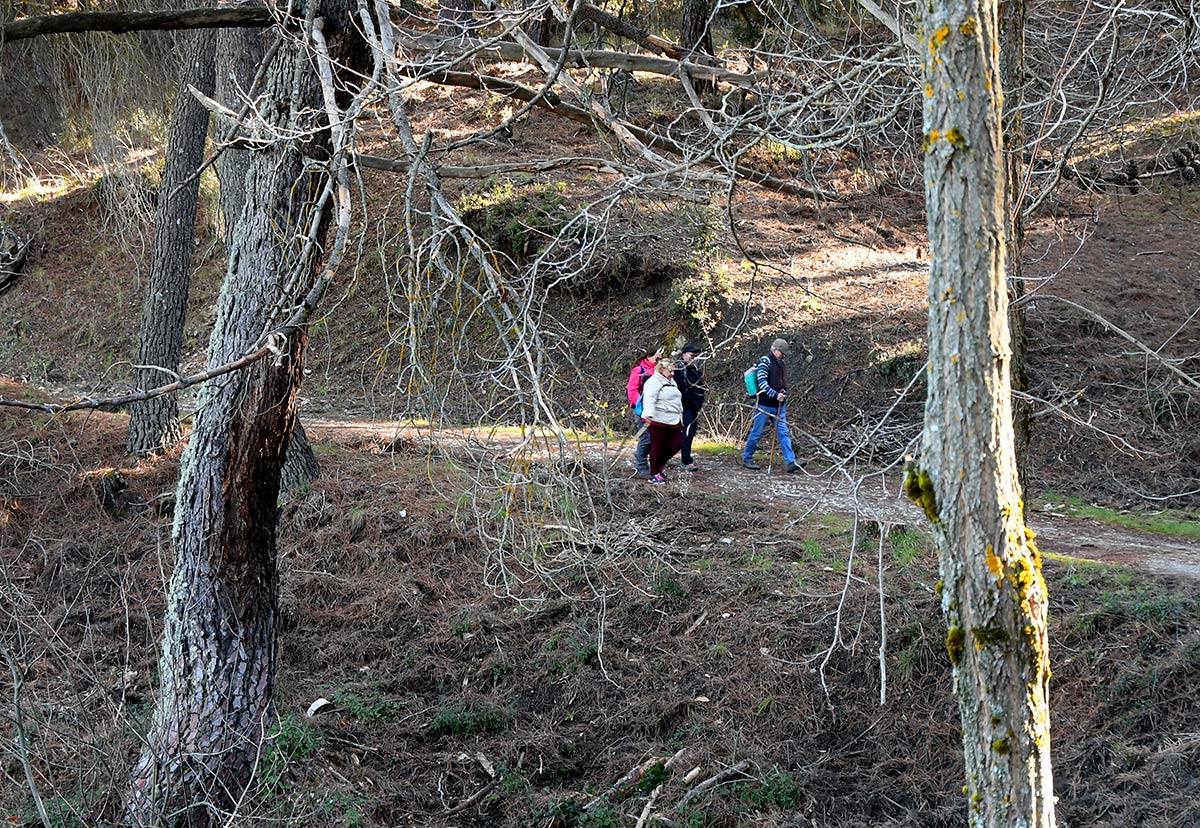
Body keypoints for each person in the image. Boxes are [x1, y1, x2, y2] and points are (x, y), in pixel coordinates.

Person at [742, 338, 806, 473]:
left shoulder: (780, 363)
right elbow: (762, 384)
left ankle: (791, 461)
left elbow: (781, 382)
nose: (784, 355)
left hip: (779, 405)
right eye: (782, 352)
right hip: (764, 405)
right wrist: (776, 394)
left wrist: (783, 392)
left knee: (784, 433)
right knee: (757, 432)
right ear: (775, 350)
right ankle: (747, 458)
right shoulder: (765, 362)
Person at [640, 356, 684, 484]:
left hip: (673, 420)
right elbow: (650, 398)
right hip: (658, 419)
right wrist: (648, 414)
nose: (672, 373)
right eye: (670, 371)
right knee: (658, 447)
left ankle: (659, 465)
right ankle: (654, 473)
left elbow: (677, 400)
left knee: (677, 444)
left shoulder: (672, 381)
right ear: (662, 369)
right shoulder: (653, 382)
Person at [626, 346, 662, 479]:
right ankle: (641, 466)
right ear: (650, 356)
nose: (659, 360)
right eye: (658, 357)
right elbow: (632, 390)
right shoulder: (639, 370)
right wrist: (640, 405)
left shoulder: (660, 371)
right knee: (646, 438)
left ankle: (650, 462)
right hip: (642, 410)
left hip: (657, 410)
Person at [674, 344, 706, 471]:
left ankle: (685, 457)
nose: (695, 359)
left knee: (691, 432)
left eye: (696, 356)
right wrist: (691, 402)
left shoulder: (695, 369)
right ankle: (685, 460)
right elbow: (681, 391)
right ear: (684, 355)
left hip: (694, 407)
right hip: (684, 406)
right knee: (686, 432)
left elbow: (700, 388)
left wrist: (698, 404)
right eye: (692, 356)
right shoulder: (679, 370)